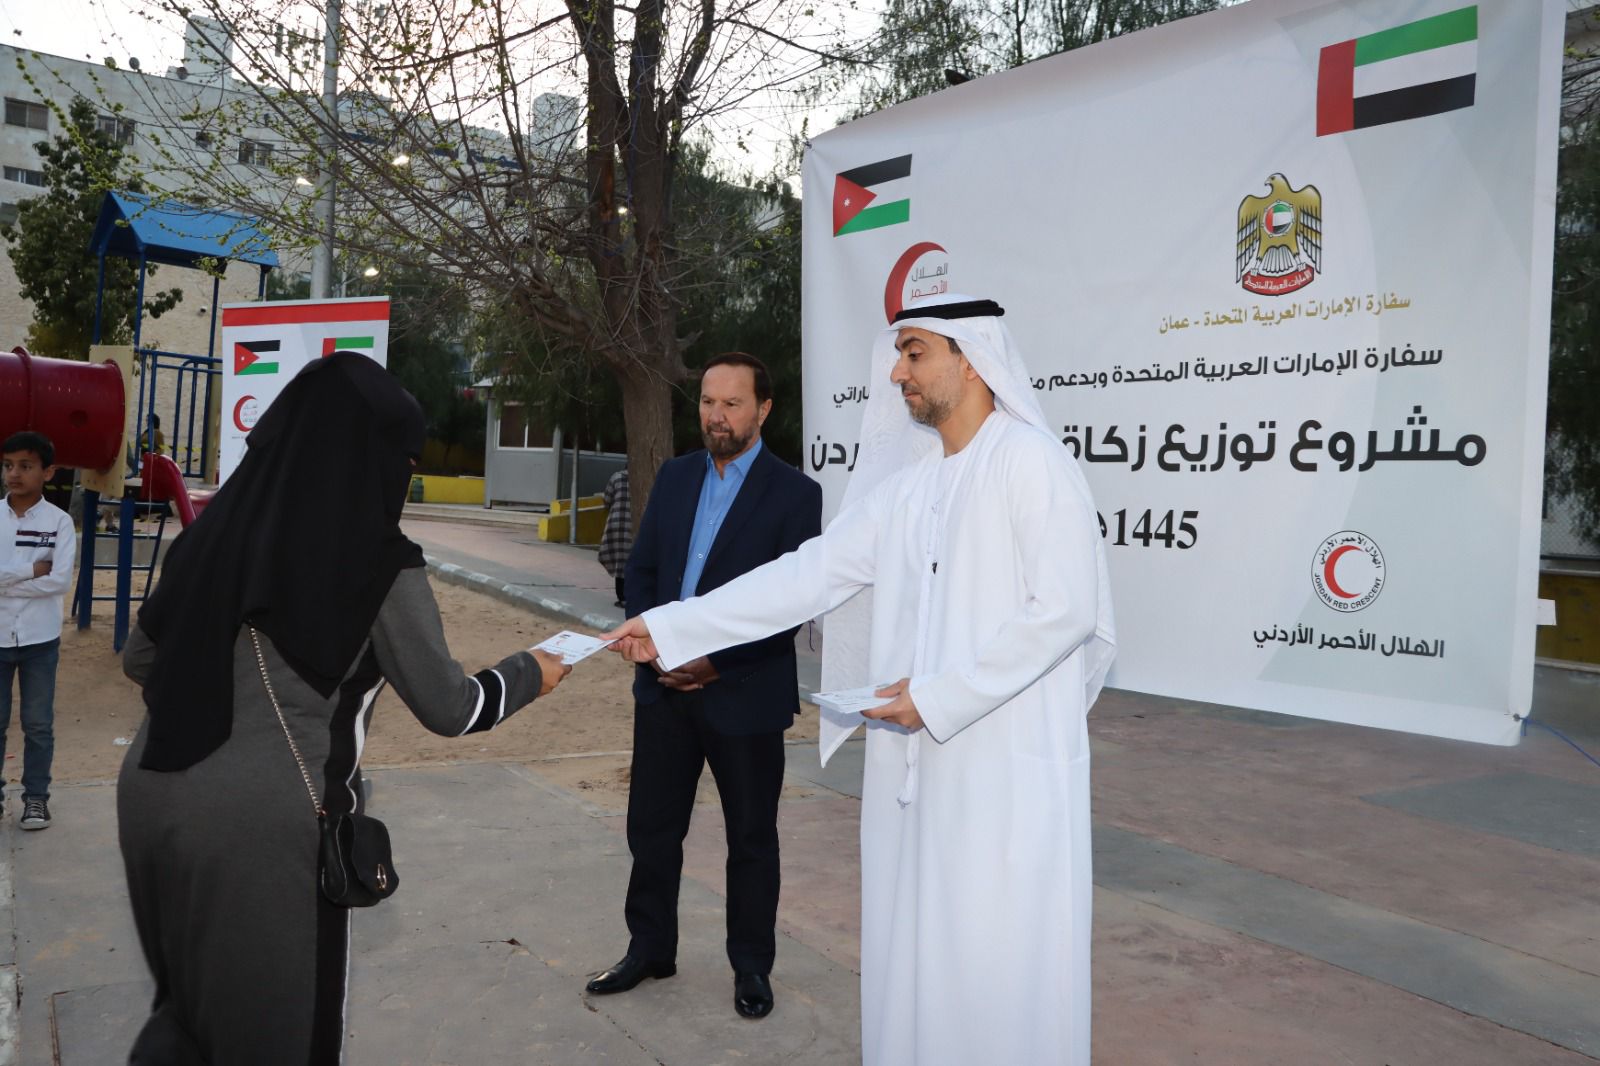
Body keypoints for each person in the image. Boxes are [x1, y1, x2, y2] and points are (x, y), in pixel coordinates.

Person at [603, 294, 1116, 1065]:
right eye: (898, 353)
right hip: (916, 766)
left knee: (996, 952)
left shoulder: (1031, 464)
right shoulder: (911, 490)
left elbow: (1067, 610)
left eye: (914, 353)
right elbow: (806, 575)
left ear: (970, 358)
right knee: (917, 950)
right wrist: (674, 627)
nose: (897, 371)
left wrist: (939, 698)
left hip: (998, 767)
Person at [116, 353, 572, 1064]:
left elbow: (140, 660)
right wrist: (531, 672)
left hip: (147, 791)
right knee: (283, 1042)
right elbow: (451, 706)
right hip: (262, 831)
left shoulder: (210, 534)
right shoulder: (379, 561)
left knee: (184, 1020)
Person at [585, 352, 821, 1020]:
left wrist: (714, 662)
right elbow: (644, 571)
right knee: (652, 831)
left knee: (751, 840)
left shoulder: (795, 495)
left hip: (744, 695)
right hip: (663, 691)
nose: (717, 416)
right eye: (709, 402)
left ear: (764, 409)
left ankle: (751, 968)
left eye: (733, 403)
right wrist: (662, 651)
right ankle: (649, 950)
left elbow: (792, 604)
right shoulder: (677, 476)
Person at [0, 431, 76, 831]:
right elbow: (44, 575)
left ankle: (35, 799)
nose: (14, 473)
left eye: (25, 466)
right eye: (9, 465)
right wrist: (31, 569)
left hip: (39, 641)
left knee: (38, 724)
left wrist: (6, 580)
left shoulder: (60, 523)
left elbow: (60, 581)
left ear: (48, 472)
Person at [599, 467, 631, 607]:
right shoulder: (643, 477)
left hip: (616, 522)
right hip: (635, 522)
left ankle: (622, 597)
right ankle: (630, 596)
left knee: (619, 561)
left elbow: (606, 499)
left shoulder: (616, 477)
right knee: (631, 560)